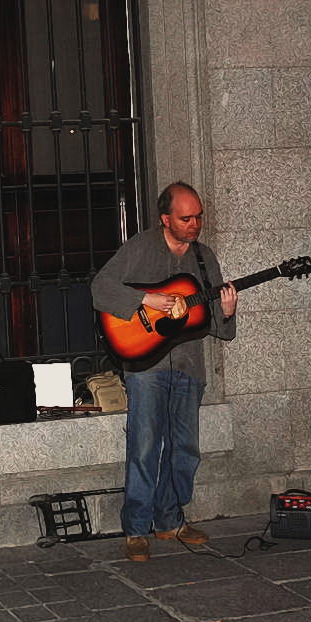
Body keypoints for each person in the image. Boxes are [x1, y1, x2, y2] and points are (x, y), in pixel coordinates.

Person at [91, 182, 237, 561]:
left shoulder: (205, 259)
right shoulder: (140, 247)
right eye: (186, 218)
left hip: (189, 363)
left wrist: (228, 311)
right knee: (144, 446)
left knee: (185, 447)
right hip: (146, 365)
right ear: (165, 218)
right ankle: (137, 528)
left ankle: (170, 519)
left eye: (199, 217)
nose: (195, 224)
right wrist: (146, 298)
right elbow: (100, 288)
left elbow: (217, 326)